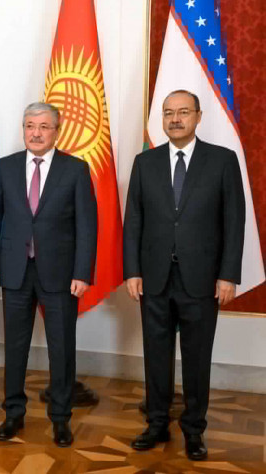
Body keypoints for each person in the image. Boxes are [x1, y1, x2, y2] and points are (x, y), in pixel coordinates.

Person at [123, 90, 245, 461]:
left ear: (198, 116)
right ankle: (157, 423)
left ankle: (194, 430)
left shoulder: (222, 160)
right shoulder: (145, 162)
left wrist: (228, 275)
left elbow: (234, 222)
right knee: (155, 355)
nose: (175, 119)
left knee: (196, 357)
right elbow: (134, 222)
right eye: (168, 113)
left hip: (202, 279)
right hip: (154, 278)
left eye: (183, 112)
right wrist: (132, 271)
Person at [0, 102, 97, 447]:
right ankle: (13, 414)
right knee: (15, 347)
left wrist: (82, 272)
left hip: (60, 274)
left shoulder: (75, 169)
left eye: (44, 127)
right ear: (23, 129)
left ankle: (60, 418)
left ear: (57, 131)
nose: (36, 133)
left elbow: (87, 226)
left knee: (61, 348)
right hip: (14, 272)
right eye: (30, 126)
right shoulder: (5, 167)